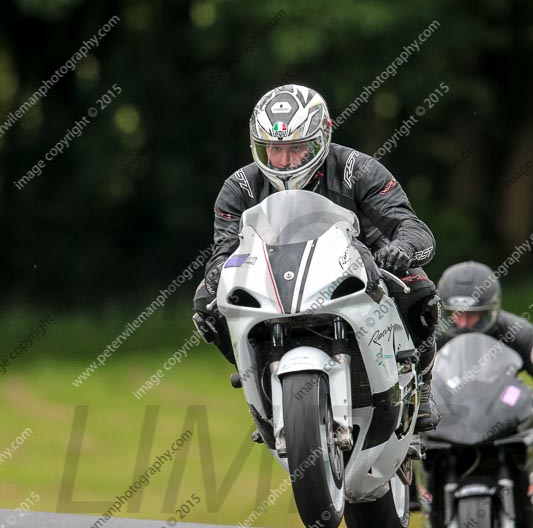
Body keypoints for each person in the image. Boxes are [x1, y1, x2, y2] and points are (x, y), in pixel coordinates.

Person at [193, 83, 441, 432]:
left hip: (357, 269)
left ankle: (422, 382)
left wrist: (400, 249)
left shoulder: (358, 168)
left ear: (322, 135)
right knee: (206, 298)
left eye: (296, 148)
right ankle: (258, 377)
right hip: (271, 277)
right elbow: (223, 251)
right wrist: (219, 271)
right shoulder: (240, 188)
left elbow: (413, 227)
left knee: (418, 286)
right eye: (273, 150)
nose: (285, 161)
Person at [436, 260, 533, 374]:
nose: (463, 323)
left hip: (502, 392)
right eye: (456, 313)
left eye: (472, 314)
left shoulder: (515, 331)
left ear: (489, 310)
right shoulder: (432, 337)